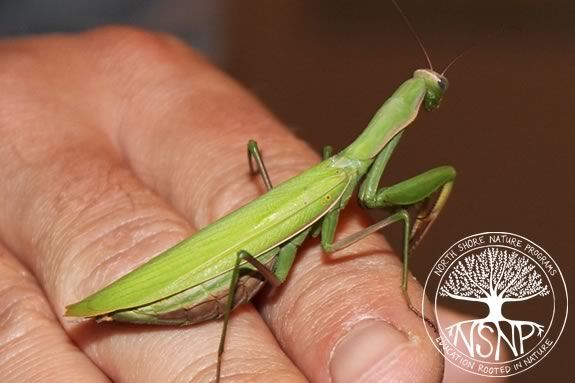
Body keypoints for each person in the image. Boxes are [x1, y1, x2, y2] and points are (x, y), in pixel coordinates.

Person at [0, 27, 495, 382]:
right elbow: (374, 203)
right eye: (431, 88)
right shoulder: (339, 177)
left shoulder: (337, 170)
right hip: (214, 276)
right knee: (399, 212)